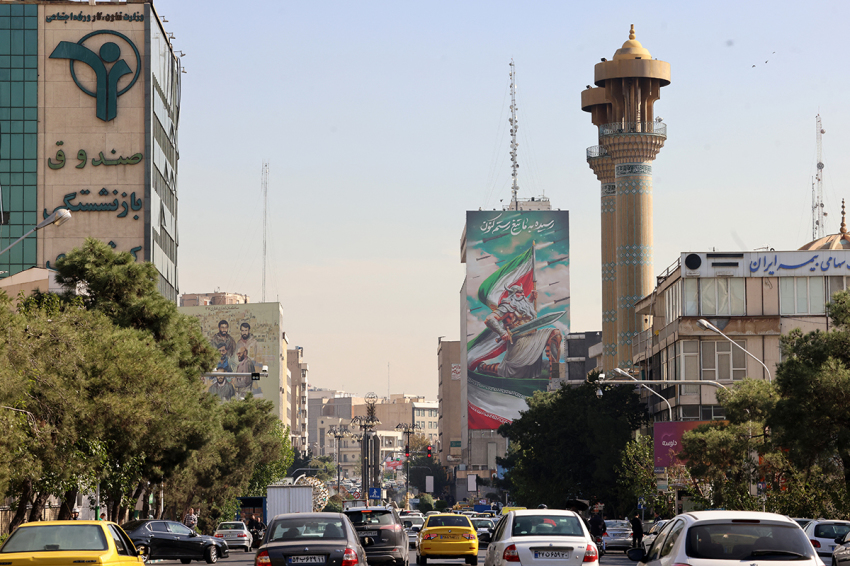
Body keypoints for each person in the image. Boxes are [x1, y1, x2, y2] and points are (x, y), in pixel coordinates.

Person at [477, 284, 562, 379]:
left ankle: (554, 375)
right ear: (512, 295)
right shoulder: (506, 307)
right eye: (518, 292)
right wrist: (502, 332)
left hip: (532, 337)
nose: (522, 294)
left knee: (555, 334)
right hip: (518, 342)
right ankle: (484, 367)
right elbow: (489, 319)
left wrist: (531, 298)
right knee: (509, 371)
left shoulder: (526, 305)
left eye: (522, 292)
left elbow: (523, 309)